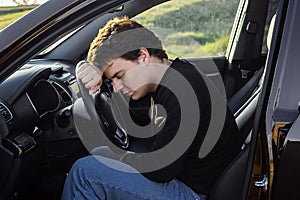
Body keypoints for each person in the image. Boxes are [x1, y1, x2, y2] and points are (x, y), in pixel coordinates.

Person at [62, 16, 242, 200]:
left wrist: (116, 156)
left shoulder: (182, 92)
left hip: (196, 193)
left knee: (85, 174)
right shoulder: (172, 76)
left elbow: (161, 170)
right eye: (111, 80)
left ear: (143, 56)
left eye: (119, 75)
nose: (116, 87)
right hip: (188, 179)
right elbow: (138, 117)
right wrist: (92, 68)